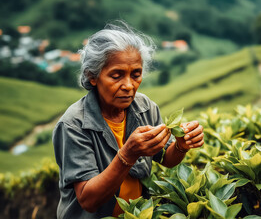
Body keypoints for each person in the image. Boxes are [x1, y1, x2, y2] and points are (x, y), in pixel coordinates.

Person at [52, 22, 204, 219]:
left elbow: (166, 158)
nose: (129, 85)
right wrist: (127, 155)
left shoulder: (145, 108)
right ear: (92, 76)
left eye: (136, 74)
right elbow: (88, 200)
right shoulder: (73, 125)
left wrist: (182, 145)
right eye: (116, 76)